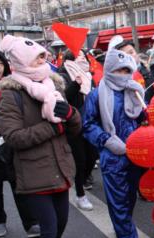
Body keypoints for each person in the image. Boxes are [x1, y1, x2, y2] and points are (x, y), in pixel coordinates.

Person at [0, 35, 82, 238]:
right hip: (34, 172)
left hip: (60, 165)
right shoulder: (12, 94)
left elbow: (74, 128)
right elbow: (13, 137)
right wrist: (52, 127)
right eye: (37, 57)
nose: (43, 60)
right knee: (48, 226)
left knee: (62, 223)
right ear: (22, 62)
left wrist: (70, 115)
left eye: (44, 56)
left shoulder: (54, 83)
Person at [82, 49, 145, 238]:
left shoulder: (136, 92)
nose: (123, 73)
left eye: (127, 69)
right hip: (113, 156)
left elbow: (142, 118)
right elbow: (88, 125)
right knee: (118, 200)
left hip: (138, 155)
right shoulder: (96, 95)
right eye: (119, 69)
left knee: (129, 197)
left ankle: (123, 226)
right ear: (109, 69)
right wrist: (107, 141)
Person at [0, 48, 40, 238]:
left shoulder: (12, 87)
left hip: (12, 143)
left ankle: (31, 223)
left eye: (0, 63)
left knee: (20, 185)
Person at [58, 49, 97, 211]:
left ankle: (84, 178)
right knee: (80, 160)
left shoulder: (89, 75)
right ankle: (80, 195)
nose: (82, 58)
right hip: (74, 124)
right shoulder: (63, 75)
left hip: (90, 122)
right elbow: (63, 97)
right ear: (70, 59)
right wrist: (76, 84)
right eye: (79, 56)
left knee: (93, 156)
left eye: (84, 56)